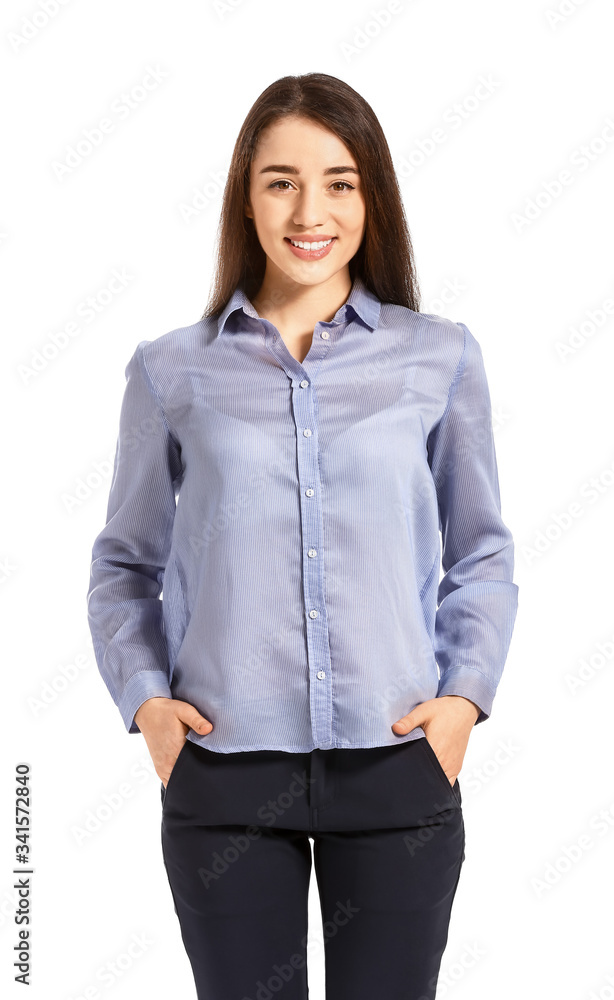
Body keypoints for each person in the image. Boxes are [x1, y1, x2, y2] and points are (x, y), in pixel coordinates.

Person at [86, 72, 519, 1000]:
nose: (309, 209)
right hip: (225, 774)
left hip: (399, 763)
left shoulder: (439, 357)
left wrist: (464, 700)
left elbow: (482, 549)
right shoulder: (171, 371)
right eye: (281, 180)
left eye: (340, 181)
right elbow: (124, 563)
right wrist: (148, 703)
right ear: (247, 194)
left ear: (373, 198)